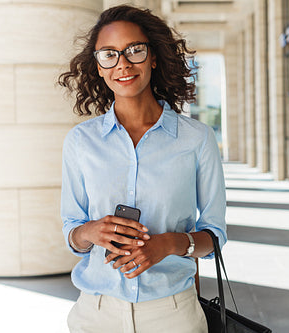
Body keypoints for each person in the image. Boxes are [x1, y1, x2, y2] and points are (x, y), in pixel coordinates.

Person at [58, 5, 226, 333]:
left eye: (134, 50)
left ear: (152, 56)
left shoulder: (197, 139)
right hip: (97, 312)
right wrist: (90, 232)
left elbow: (214, 235)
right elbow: (72, 231)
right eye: (109, 54)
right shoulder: (80, 141)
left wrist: (168, 245)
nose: (122, 63)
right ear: (99, 66)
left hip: (173, 314)